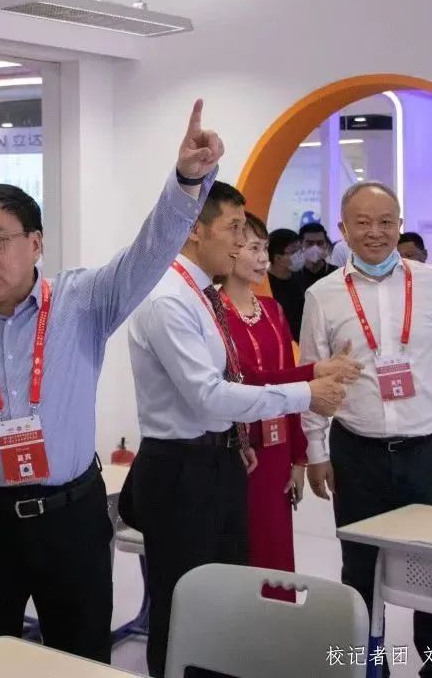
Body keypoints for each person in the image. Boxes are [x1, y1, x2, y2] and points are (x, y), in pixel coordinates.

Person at [0, 100, 221, 663]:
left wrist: (187, 180)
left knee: (81, 657)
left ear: (36, 243)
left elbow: (151, 250)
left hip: (70, 515)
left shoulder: (83, 301)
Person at [124, 181, 347, 678]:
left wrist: (236, 437)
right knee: (184, 601)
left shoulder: (201, 294)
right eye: (234, 229)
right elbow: (208, 394)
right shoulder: (168, 299)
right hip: (182, 467)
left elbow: (229, 382)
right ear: (194, 230)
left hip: (218, 456)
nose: (241, 243)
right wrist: (306, 392)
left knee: (225, 593)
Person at [301, 181, 432, 678]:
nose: (375, 232)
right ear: (344, 229)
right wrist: (316, 449)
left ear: (400, 225)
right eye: (362, 223)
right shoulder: (322, 295)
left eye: (386, 222)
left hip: (427, 449)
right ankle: (365, 667)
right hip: (355, 452)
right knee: (359, 569)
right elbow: (313, 376)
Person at [219, 211, 362, 604]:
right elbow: (244, 380)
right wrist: (314, 373)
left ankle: (276, 628)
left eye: (265, 248)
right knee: (241, 549)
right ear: (231, 250)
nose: (263, 258)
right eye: (253, 248)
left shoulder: (272, 309)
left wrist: (298, 457)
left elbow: (292, 389)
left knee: (276, 546)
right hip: (238, 449)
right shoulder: (213, 311)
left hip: (277, 447)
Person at [266, 227, 305, 339]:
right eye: (293, 252)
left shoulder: (300, 275)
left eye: (300, 249)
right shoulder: (265, 285)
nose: (299, 255)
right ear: (278, 258)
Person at [298, 221, 338, 290]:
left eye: (320, 243)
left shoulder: (336, 273)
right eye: (310, 244)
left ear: (326, 245)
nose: (315, 248)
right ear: (301, 244)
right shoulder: (293, 275)